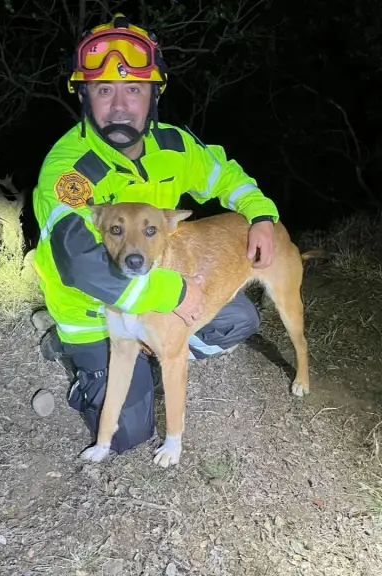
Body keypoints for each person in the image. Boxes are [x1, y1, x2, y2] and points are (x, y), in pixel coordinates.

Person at [30, 14, 280, 454]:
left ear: (153, 96)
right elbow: (79, 261)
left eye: (134, 89)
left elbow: (227, 178)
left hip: (152, 292)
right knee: (128, 434)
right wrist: (174, 293)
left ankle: (158, 350)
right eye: (104, 90)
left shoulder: (175, 145)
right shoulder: (69, 168)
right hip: (91, 312)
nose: (119, 104)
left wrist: (260, 215)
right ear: (84, 96)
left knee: (239, 319)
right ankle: (77, 358)